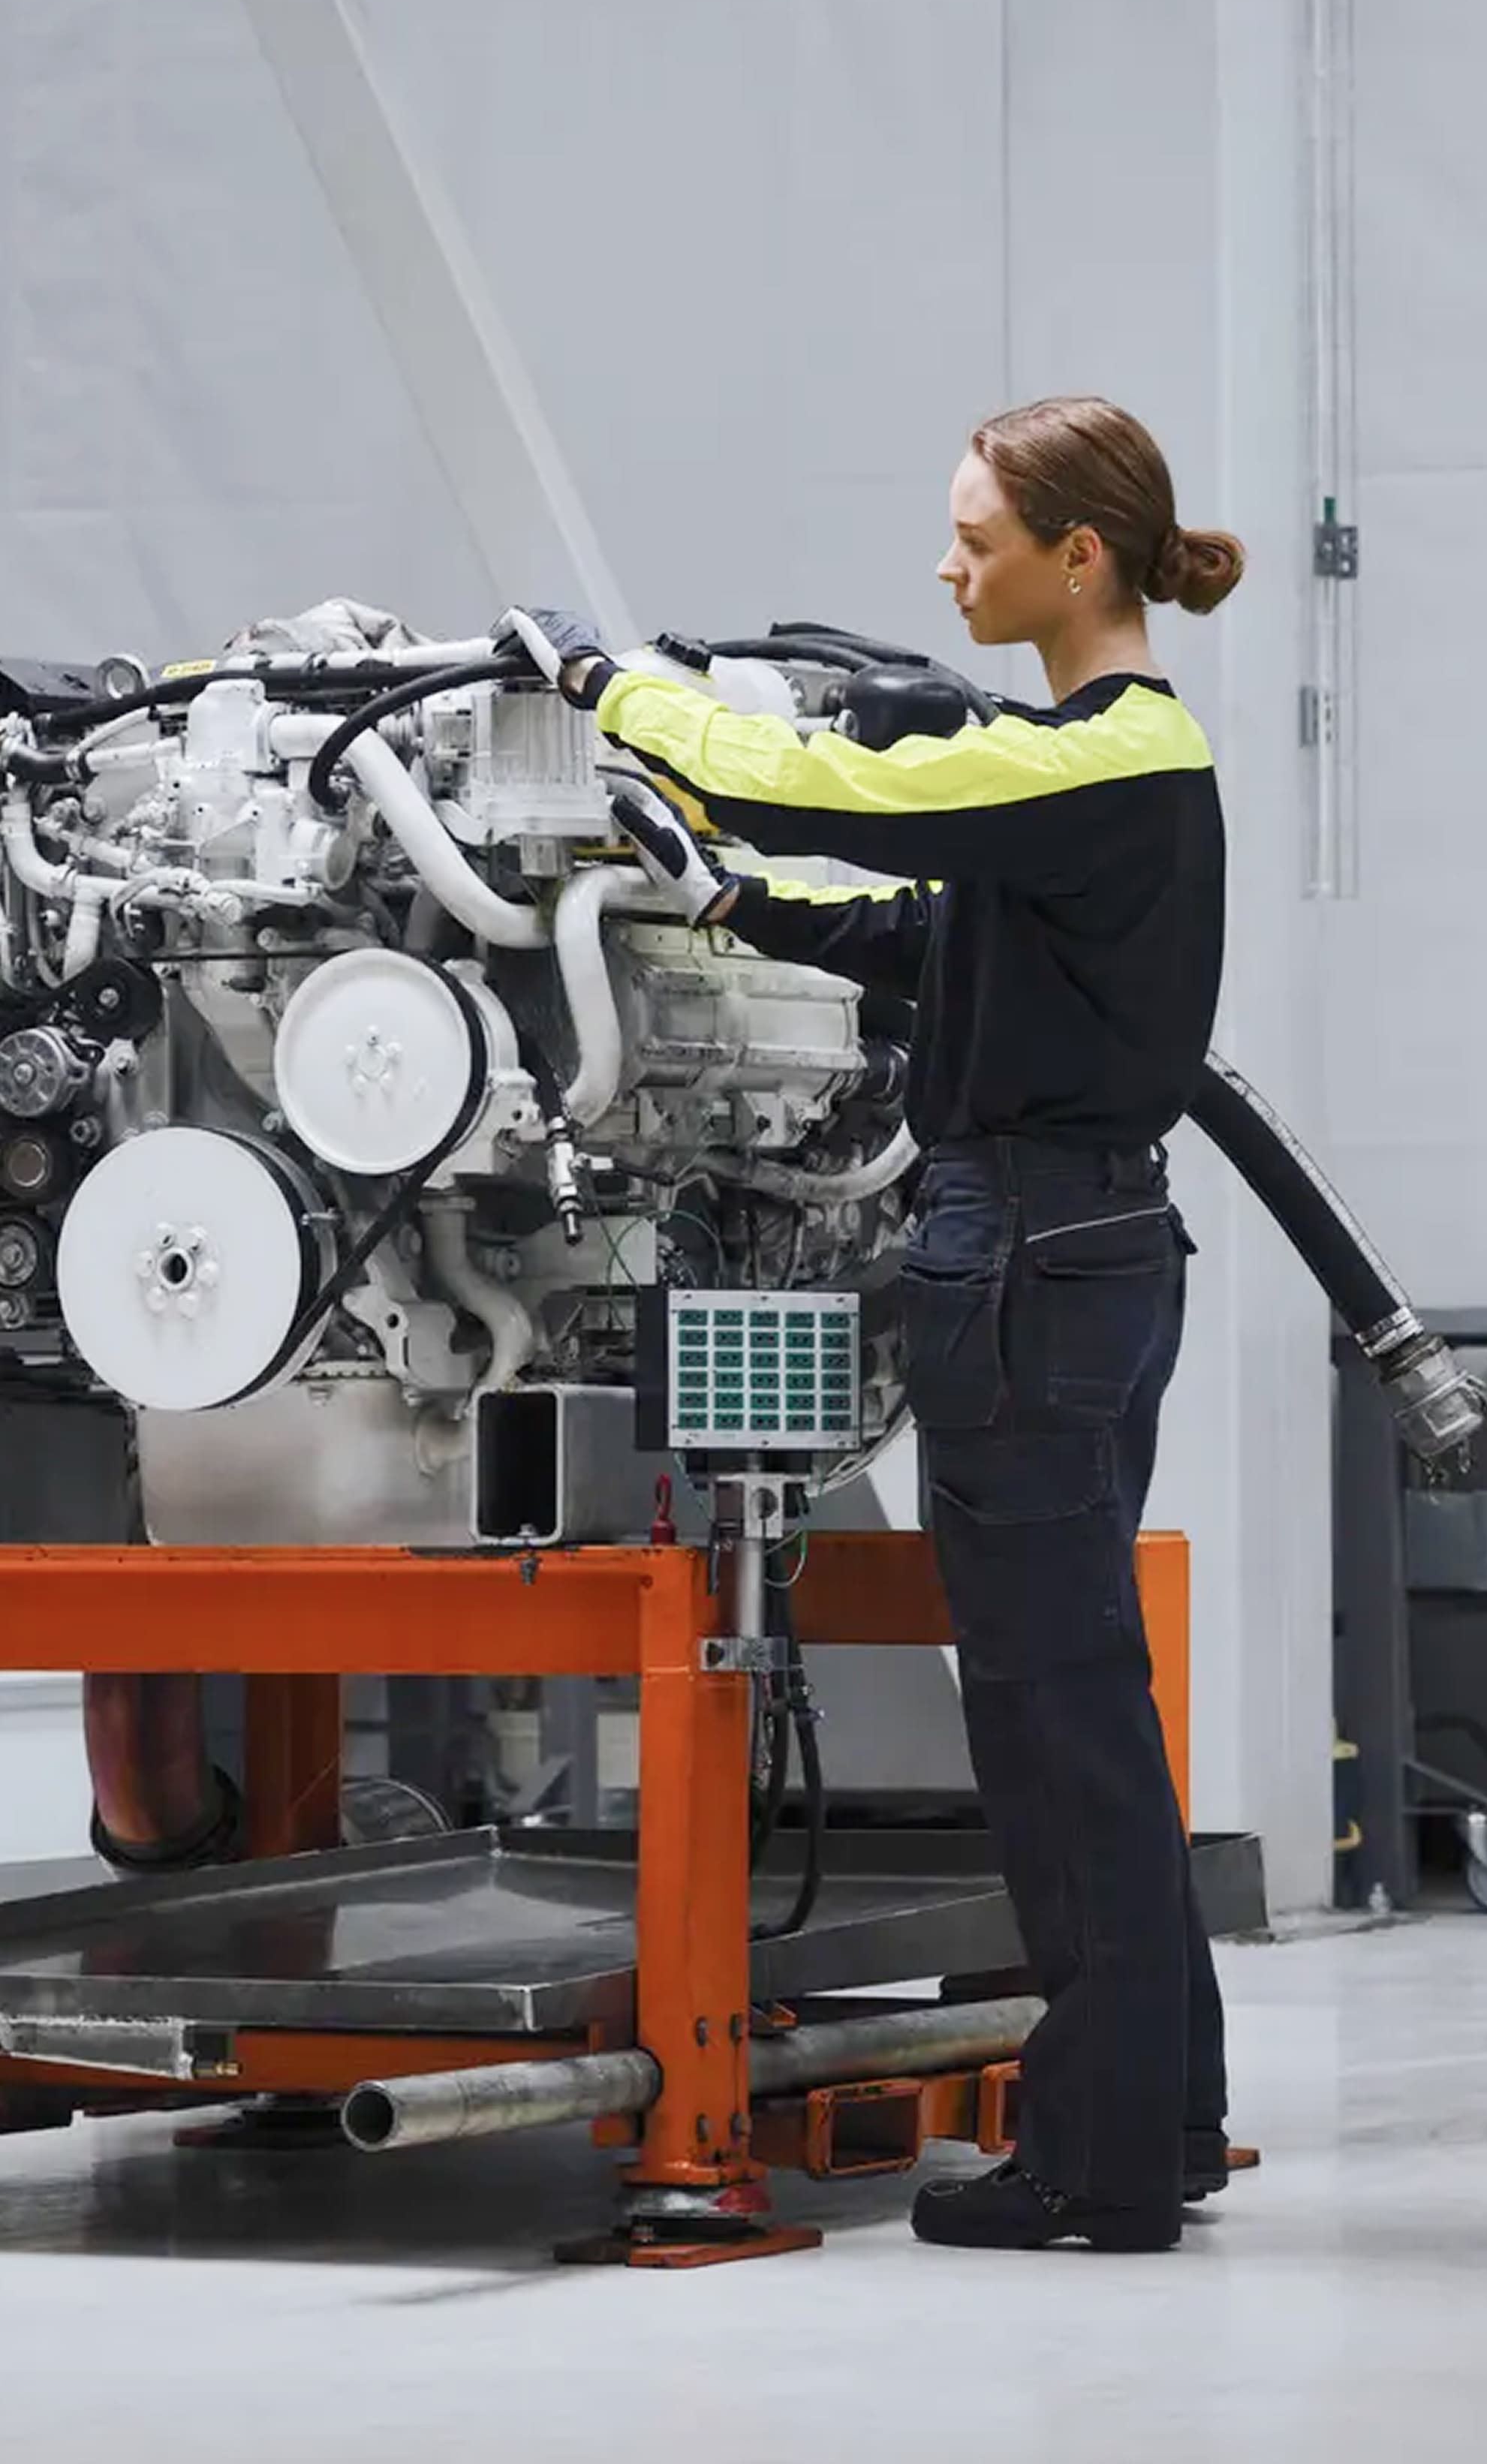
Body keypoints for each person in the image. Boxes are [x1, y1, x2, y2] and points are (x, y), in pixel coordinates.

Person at [498, 394, 1245, 2255]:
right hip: (1082, 1246)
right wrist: (738, 905)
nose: (947, 569)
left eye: (977, 540)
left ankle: (1096, 2166)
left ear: (1080, 557)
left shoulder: (1098, 757)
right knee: (1089, 1697)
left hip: (1032, 1260)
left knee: (1051, 1710)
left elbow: (818, 789)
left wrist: (606, 689)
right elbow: (930, 940)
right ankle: (1163, 2112)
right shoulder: (1102, 778)